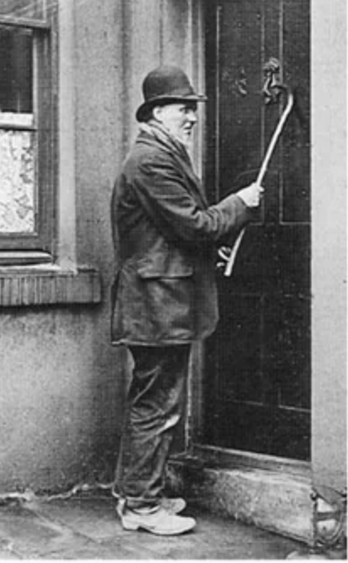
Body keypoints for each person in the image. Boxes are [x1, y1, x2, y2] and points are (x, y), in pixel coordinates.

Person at [110, 65, 263, 536]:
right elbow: (194, 224)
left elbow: (170, 232)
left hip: (162, 301)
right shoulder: (151, 161)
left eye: (192, 109)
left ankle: (136, 493)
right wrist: (241, 204)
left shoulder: (161, 153)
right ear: (158, 112)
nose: (192, 117)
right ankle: (141, 505)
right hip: (157, 305)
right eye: (184, 109)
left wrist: (203, 243)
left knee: (156, 399)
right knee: (157, 403)